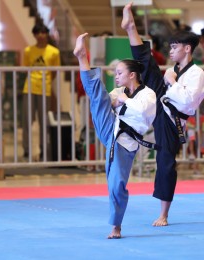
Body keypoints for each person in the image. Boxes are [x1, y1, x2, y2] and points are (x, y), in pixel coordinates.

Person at [122, 2, 204, 226]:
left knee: (166, 162)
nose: (170, 51)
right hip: (160, 104)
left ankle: (164, 214)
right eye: (170, 47)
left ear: (187, 49)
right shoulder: (174, 70)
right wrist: (170, 79)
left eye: (174, 47)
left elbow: (189, 101)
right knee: (147, 65)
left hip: (173, 117)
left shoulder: (197, 73)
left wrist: (173, 82)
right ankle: (131, 28)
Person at [73, 33, 157, 238]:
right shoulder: (121, 90)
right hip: (110, 127)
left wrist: (123, 100)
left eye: (119, 72)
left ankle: (116, 226)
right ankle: (82, 57)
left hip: (124, 143)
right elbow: (107, 102)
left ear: (132, 75)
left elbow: (143, 111)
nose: (116, 75)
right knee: (97, 95)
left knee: (116, 184)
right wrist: (117, 101)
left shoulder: (148, 94)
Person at [22, 24, 61, 159]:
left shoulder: (54, 52)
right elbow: (25, 68)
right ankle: (26, 149)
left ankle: (44, 148)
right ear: (34, 35)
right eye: (37, 33)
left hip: (45, 89)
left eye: (43, 33)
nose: (40, 36)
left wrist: (47, 82)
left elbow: (55, 72)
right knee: (27, 120)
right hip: (29, 88)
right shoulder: (28, 50)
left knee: (44, 121)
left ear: (47, 34)